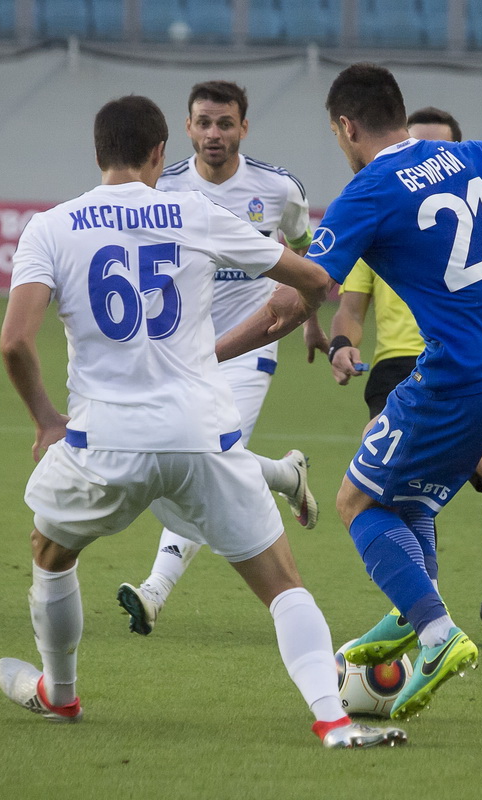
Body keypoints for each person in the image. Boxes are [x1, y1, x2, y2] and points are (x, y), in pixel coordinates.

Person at [0, 94, 405, 749]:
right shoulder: (194, 211)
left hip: (104, 441)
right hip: (200, 434)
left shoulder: (51, 227)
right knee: (281, 583)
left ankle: (61, 695)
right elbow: (312, 277)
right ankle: (333, 719)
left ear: (97, 152)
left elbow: (15, 342)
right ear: (162, 153)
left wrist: (46, 419)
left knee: (50, 554)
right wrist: (303, 301)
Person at [216, 63, 482, 721]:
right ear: (399, 114)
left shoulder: (368, 191)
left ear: (347, 128)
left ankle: (434, 633)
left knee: (356, 500)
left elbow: (290, 306)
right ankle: (410, 616)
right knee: (410, 499)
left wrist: (201, 358)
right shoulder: (476, 154)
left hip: (461, 383)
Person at [328, 105, 482, 649]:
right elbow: (348, 308)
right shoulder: (381, 210)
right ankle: (422, 610)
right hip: (399, 365)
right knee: (383, 473)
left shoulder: (466, 195)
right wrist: (342, 342)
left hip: (475, 365)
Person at [117, 80, 329, 637]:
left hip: (248, 352)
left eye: (225, 123)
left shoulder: (280, 190)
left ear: (244, 127)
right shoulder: (163, 189)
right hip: (179, 354)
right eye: (204, 123)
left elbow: (306, 257)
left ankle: (155, 590)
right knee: (194, 457)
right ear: (186, 128)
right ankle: (286, 474)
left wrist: (312, 322)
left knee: (200, 456)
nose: (214, 134)